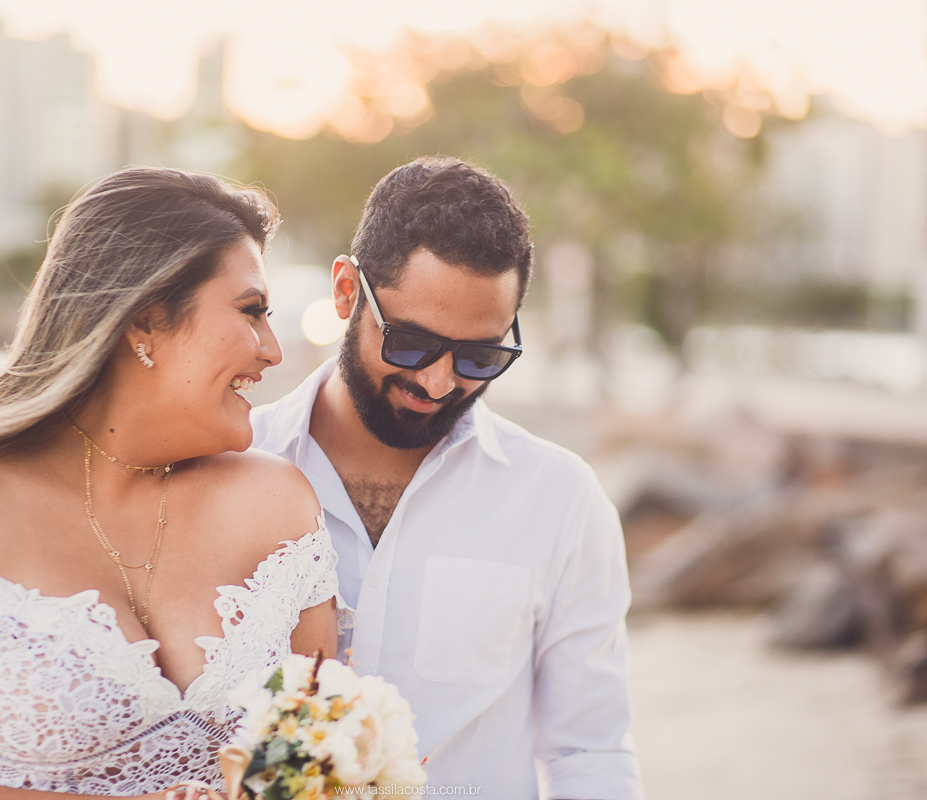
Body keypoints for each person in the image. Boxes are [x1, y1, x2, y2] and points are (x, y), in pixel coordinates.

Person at [0, 168, 340, 799]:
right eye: (251, 312)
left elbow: (316, 765)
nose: (273, 350)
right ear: (144, 320)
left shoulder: (279, 508)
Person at [251, 157, 642, 799]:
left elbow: (589, 750)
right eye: (410, 342)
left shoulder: (560, 500)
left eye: (480, 356)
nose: (438, 382)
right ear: (346, 292)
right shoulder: (237, 461)